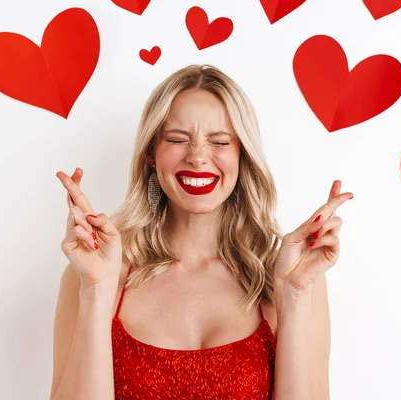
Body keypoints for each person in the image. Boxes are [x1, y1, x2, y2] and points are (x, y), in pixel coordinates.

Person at [49, 64, 353, 400]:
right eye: (177, 139)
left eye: (219, 141)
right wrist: (95, 291)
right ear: (151, 153)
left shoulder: (293, 277)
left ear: (243, 155)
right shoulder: (94, 275)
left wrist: (293, 295)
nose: (197, 157)